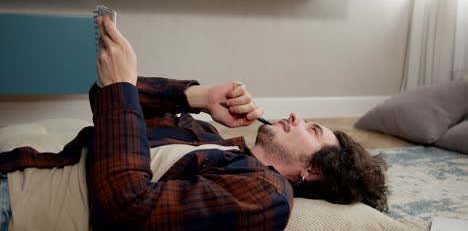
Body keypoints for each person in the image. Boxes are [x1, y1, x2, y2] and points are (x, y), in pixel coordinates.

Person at [0, 16, 387, 231]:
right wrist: (198, 98)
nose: (295, 117)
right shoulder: (208, 138)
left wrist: (119, 86)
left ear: (313, 171)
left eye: (312, 130)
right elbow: (110, 99)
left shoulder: (265, 195)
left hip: (15, 209)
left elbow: (127, 210)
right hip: (18, 167)